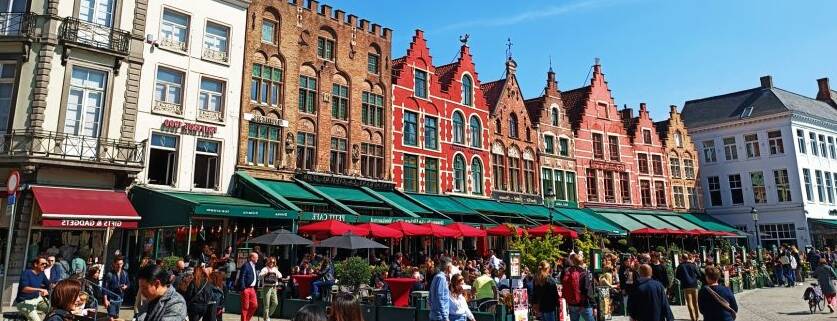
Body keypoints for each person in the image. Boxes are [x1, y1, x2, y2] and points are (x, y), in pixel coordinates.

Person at [16, 256, 51, 321]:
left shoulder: (42, 274)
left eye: (45, 264)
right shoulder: (26, 273)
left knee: (53, 310)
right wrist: (40, 289)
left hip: (38, 299)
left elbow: (49, 285)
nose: (45, 265)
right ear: (35, 264)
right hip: (24, 302)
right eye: (42, 264)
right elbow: (24, 289)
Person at [561, 254, 595, 321]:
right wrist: (594, 304)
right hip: (584, 304)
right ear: (582, 262)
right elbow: (587, 290)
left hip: (572, 303)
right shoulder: (583, 272)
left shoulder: (567, 271)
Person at [675, 254, 700, 321]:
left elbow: (677, 276)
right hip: (694, 285)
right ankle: (697, 316)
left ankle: (693, 318)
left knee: (689, 303)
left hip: (686, 285)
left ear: (682, 258)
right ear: (688, 258)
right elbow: (699, 274)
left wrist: (683, 279)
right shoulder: (693, 265)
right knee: (695, 303)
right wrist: (695, 278)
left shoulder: (680, 266)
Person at [103, 256, 129, 321]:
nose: (119, 266)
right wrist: (105, 300)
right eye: (117, 264)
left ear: (123, 264)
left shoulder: (125, 273)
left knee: (116, 316)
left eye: (121, 264)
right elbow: (104, 288)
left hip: (119, 298)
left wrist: (126, 286)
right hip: (111, 299)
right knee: (111, 317)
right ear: (114, 264)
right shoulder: (109, 274)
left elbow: (128, 283)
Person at [236, 252, 259, 321]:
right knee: (245, 307)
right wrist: (243, 288)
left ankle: (246, 319)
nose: (258, 258)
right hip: (246, 288)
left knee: (254, 305)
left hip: (252, 289)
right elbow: (242, 276)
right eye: (256, 257)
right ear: (252, 258)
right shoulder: (246, 265)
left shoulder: (254, 266)